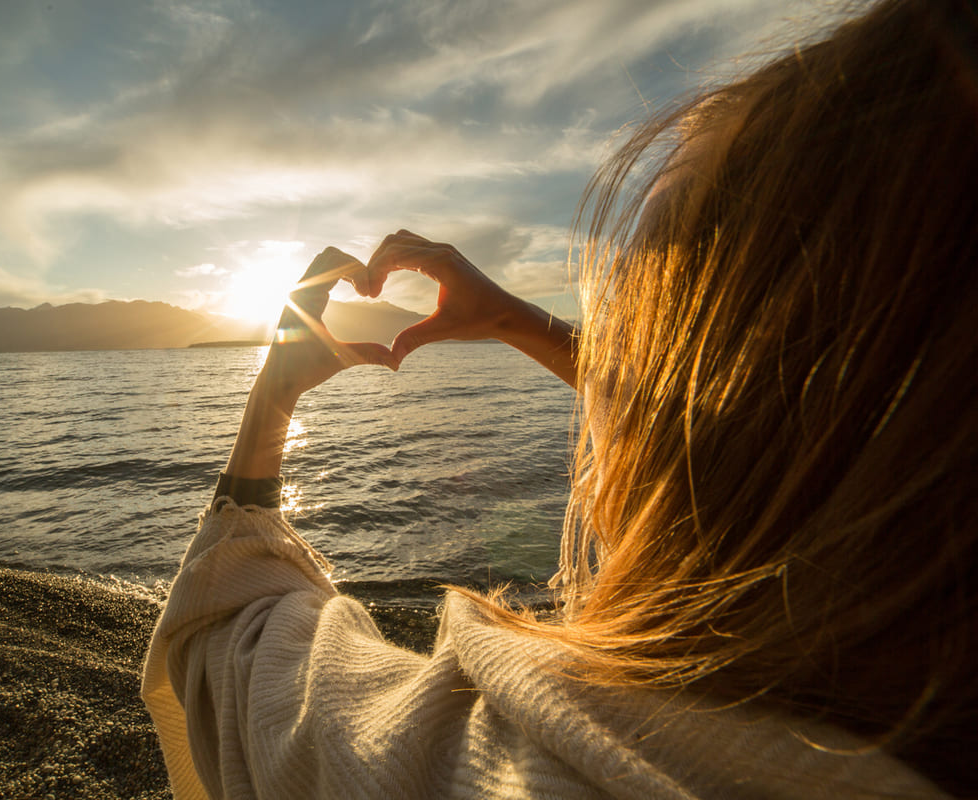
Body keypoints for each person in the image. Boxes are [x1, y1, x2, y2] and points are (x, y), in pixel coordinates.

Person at [142, 0, 978, 796]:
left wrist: (271, 399)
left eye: (655, 318)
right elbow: (757, 431)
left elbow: (232, 638)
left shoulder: (522, 769)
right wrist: (515, 318)